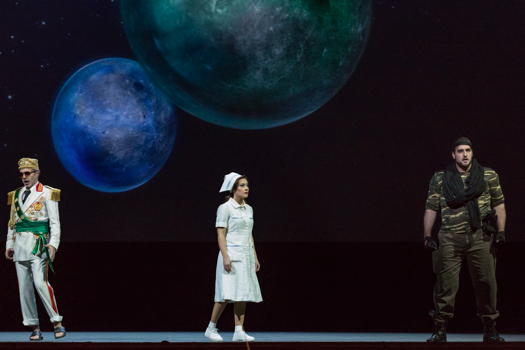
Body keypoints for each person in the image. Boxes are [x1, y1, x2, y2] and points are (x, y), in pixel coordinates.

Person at [423, 137, 506, 343]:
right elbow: (431, 207)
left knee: (487, 283)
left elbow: (499, 204)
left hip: (480, 237)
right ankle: (440, 329)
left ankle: (490, 328)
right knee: (445, 285)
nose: (465, 154)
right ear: (453, 154)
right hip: (450, 237)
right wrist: (427, 234)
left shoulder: (488, 175)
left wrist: (502, 230)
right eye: (460, 151)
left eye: (468, 150)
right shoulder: (441, 178)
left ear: (473, 152)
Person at [5, 158, 66, 341]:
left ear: (36, 173)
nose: (24, 177)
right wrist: (9, 244)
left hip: (38, 245)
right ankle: (34, 326)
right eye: (22, 174)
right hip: (19, 246)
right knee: (24, 288)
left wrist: (53, 244)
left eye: (28, 173)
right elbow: (12, 224)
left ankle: (56, 322)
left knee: (41, 283)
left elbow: (55, 223)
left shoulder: (47, 193)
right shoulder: (15, 195)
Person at [204, 172, 262, 342]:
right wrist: (226, 256)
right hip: (231, 254)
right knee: (226, 294)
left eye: (247, 185)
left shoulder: (249, 208)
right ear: (233, 189)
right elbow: (221, 234)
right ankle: (211, 327)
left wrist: (255, 256)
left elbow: (249, 234)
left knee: (242, 293)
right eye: (242, 185)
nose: (246, 188)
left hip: (246, 255)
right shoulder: (225, 208)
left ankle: (239, 330)